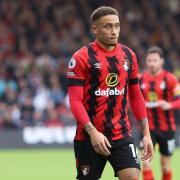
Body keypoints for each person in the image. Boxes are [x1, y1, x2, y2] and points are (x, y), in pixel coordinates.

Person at [67, 6, 153, 180]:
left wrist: (146, 133)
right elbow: (75, 101)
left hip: (121, 133)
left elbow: (136, 96)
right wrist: (93, 133)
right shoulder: (81, 58)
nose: (114, 31)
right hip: (89, 137)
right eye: (108, 26)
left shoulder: (129, 55)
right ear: (95, 30)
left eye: (117, 26)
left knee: (132, 176)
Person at [139, 46, 180, 180]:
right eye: (149, 60)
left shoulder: (171, 79)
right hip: (147, 129)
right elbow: (132, 99)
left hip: (166, 128)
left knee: (165, 165)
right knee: (145, 163)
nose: (151, 63)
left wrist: (169, 105)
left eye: (155, 60)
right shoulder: (141, 80)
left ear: (161, 61)